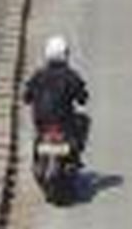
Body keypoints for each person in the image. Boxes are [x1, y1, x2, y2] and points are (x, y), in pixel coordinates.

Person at [23, 35, 90, 164]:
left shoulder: (39, 75)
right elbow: (82, 98)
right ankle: (75, 154)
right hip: (63, 120)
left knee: (38, 134)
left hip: (41, 120)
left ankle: (37, 157)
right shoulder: (71, 76)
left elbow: (26, 97)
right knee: (83, 120)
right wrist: (80, 98)